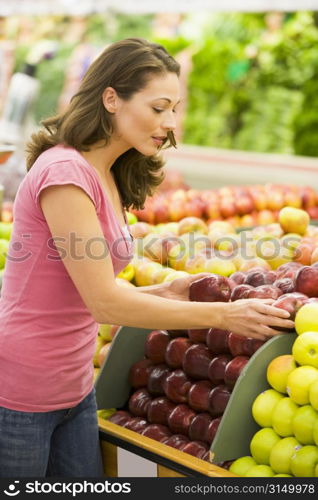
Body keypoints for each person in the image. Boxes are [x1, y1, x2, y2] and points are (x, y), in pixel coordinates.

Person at [0, 38, 294, 478]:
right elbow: (104, 304)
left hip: (74, 390)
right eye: (158, 108)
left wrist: (164, 290)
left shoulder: (108, 171)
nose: (170, 122)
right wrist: (225, 315)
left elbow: (81, 290)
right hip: (21, 391)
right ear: (111, 98)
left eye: (174, 108)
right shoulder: (65, 174)